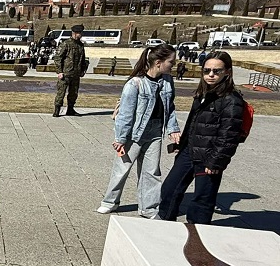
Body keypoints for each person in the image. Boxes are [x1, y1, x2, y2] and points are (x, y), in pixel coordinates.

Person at [158, 51, 245, 224]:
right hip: (189, 151)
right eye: (207, 70)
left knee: (202, 201)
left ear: (227, 72)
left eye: (216, 71)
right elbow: (192, 122)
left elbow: (229, 136)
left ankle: (198, 237)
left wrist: (216, 162)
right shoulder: (204, 93)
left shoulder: (232, 100)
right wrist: (181, 145)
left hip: (209, 156)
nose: (211, 75)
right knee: (169, 189)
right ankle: (165, 223)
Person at [97, 45, 181, 218]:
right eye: (171, 62)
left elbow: (169, 108)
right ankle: (109, 202)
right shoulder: (135, 84)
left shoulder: (167, 81)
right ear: (158, 63)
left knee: (152, 172)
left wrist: (173, 128)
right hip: (134, 134)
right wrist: (120, 138)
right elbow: (126, 114)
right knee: (122, 169)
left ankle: (148, 208)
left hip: (156, 132)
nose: (173, 65)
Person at [52, 24, 88, 117]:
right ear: (74, 33)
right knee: (61, 93)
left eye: (81, 33)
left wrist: (83, 69)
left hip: (76, 74)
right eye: (79, 33)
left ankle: (70, 109)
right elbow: (57, 58)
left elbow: (82, 59)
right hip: (66, 74)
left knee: (73, 93)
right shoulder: (66, 44)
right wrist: (59, 71)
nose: (81, 35)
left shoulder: (81, 45)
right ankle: (57, 110)